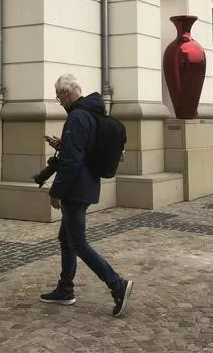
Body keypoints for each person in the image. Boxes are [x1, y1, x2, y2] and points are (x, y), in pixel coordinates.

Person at [39, 73, 133, 317]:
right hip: (86, 184)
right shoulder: (91, 112)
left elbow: (71, 161)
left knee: (78, 242)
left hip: (76, 189)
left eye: (59, 97)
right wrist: (63, 144)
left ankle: (117, 285)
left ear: (67, 93)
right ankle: (65, 288)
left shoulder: (78, 116)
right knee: (66, 238)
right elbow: (80, 149)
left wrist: (56, 191)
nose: (60, 102)